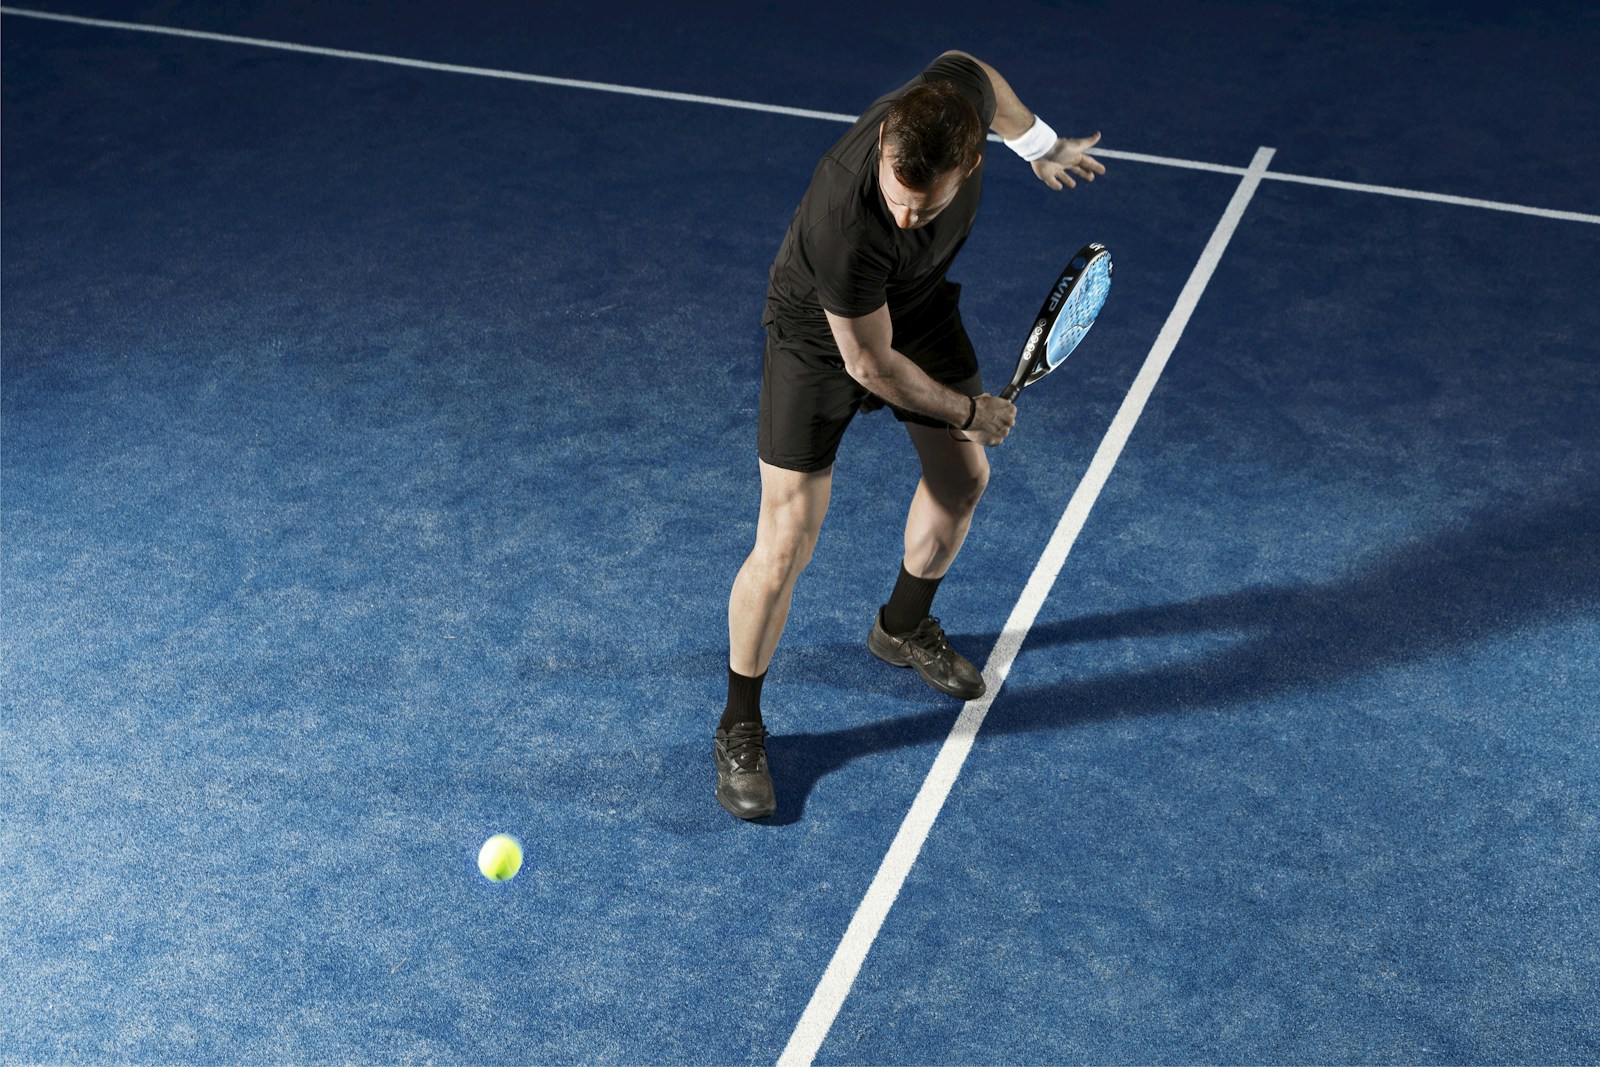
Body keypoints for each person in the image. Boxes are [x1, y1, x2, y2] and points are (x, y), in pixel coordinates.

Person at [715, 51, 1105, 820]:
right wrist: (968, 412)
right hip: (822, 338)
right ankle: (739, 722)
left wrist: (1037, 143)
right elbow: (868, 362)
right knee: (787, 534)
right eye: (896, 197)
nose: (904, 216)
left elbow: (978, 74)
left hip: (916, 308)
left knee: (963, 481)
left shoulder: (956, 107)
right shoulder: (845, 219)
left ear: (968, 160)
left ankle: (901, 628)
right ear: (886, 142)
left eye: (922, 208)